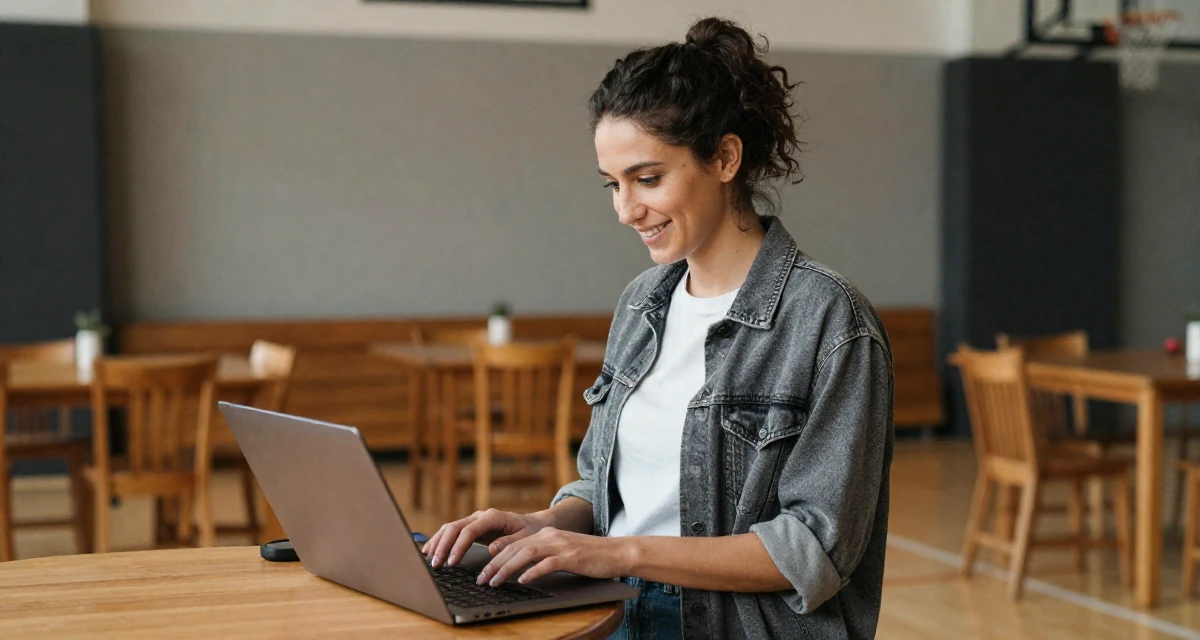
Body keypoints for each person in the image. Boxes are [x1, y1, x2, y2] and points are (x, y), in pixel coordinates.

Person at [422, 16, 894, 640]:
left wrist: (619, 554)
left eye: (647, 179)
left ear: (725, 158)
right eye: (613, 185)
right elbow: (604, 482)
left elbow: (813, 549)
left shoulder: (832, 322)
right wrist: (544, 524)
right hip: (615, 609)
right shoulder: (643, 303)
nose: (625, 209)